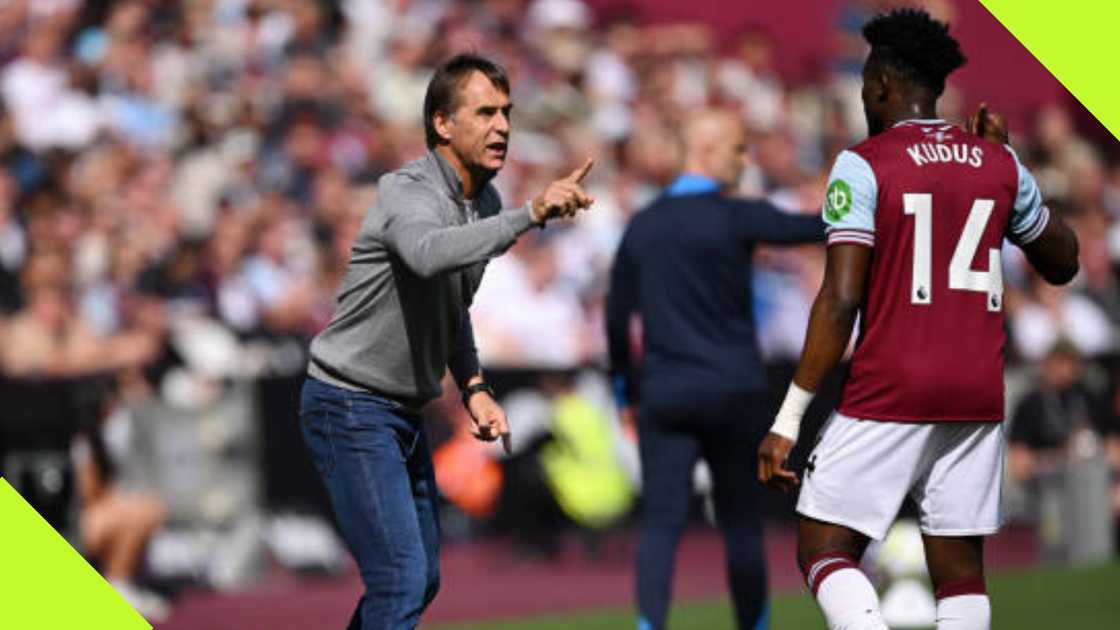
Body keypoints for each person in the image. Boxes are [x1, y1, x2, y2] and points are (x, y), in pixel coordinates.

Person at [756, 9, 1080, 630]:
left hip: (893, 383)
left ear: (880, 86)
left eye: (863, 86)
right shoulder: (997, 163)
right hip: (979, 390)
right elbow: (1062, 263)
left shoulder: (864, 163)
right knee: (959, 567)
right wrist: (1010, 162)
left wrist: (787, 419)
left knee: (823, 546)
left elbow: (840, 298)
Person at [300, 54, 594, 630]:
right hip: (350, 405)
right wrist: (531, 213)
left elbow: (451, 309)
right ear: (441, 123)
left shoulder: (481, 203)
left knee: (420, 578)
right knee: (400, 580)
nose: (503, 125)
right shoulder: (407, 190)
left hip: (399, 412)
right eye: (485, 112)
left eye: (506, 112)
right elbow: (429, 254)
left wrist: (476, 386)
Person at [607, 109, 824, 630]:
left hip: (665, 393)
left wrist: (625, 395)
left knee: (660, 525)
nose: (743, 160)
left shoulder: (643, 224)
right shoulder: (737, 216)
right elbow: (815, 227)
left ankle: (648, 627)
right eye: (738, 149)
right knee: (741, 524)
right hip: (735, 391)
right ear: (707, 150)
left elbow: (617, 322)